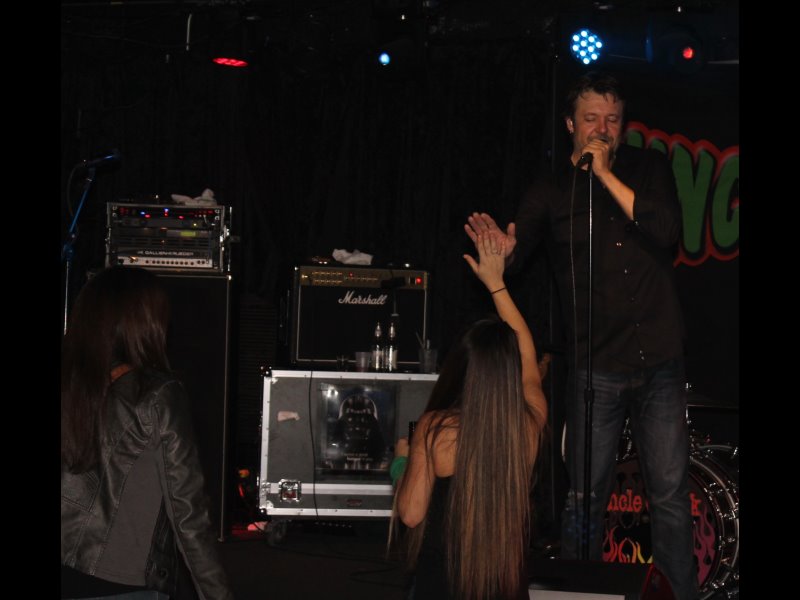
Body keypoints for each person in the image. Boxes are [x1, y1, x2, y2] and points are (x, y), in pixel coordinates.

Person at [465, 71, 696, 600]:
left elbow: (667, 231)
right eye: (591, 118)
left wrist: (606, 174)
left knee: (668, 496)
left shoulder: (648, 168)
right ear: (571, 124)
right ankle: (577, 594)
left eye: (612, 119)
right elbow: (517, 253)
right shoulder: (550, 189)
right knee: (584, 497)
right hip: (597, 367)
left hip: (659, 358)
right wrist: (502, 253)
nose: (602, 128)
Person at [390, 232, 548, 600]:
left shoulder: (435, 429)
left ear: (467, 372)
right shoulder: (529, 425)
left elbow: (411, 514)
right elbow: (527, 355)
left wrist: (401, 462)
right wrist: (496, 284)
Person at [61, 265, 234, 600]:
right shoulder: (157, 395)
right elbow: (188, 514)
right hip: (121, 583)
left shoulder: (72, 387)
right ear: (145, 323)